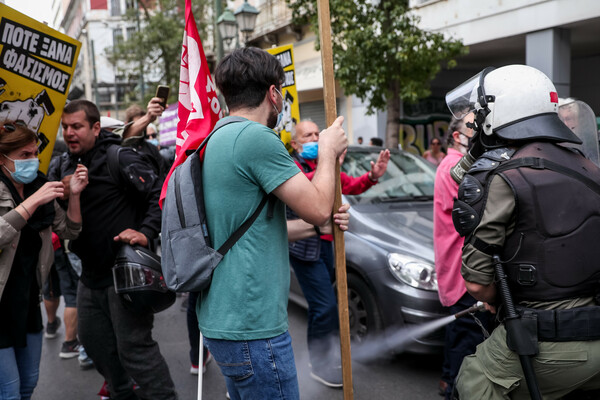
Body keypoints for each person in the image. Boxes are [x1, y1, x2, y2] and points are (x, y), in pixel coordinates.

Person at [196, 47, 347, 400]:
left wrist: (320, 226)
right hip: (253, 328)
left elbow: (264, 229)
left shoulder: (218, 136)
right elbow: (318, 208)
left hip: (228, 322)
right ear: (273, 93)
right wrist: (327, 151)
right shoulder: (255, 138)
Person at [447, 65, 600, 399]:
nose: (475, 122)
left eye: (480, 113)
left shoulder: (506, 176)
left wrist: (496, 299)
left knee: (472, 381)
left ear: (500, 110)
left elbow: (477, 284)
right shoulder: (589, 167)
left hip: (544, 342)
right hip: (595, 333)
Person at [55, 99, 178, 400]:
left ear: (96, 128)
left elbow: (159, 194)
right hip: (89, 276)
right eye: (65, 127)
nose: (70, 133)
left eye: (77, 127)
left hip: (124, 275)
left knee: (135, 349)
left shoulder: (118, 157)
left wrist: (146, 232)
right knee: (95, 344)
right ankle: (122, 393)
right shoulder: (61, 166)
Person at [185, 204, 351, 376]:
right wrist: (321, 222)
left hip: (250, 276)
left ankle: (222, 369)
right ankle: (202, 360)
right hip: (243, 276)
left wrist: (370, 178)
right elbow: (314, 209)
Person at [287, 119, 390, 387]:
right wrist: (327, 159)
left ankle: (321, 356)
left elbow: (350, 185)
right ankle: (318, 364)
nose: (313, 139)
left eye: (316, 134)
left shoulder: (325, 164)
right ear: (296, 144)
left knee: (323, 307)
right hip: (303, 247)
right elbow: (306, 185)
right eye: (307, 136)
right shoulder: (293, 167)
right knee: (325, 307)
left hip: (326, 244)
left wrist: (372, 176)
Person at [0, 121, 87, 400]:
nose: (33, 160)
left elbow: (70, 231)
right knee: (10, 392)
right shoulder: (32, 193)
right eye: (25, 155)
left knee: (28, 385)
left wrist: (73, 195)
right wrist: (32, 202)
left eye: (35, 153)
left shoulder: (39, 185)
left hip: (26, 303)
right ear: (3, 158)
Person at [433, 113, 490, 399]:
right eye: (473, 126)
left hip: (460, 268)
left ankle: (447, 382)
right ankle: (453, 390)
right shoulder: (454, 167)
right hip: (462, 270)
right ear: (457, 136)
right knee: (466, 338)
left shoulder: (456, 164)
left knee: (460, 335)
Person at [122, 100, 170, 179]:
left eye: (145, 123)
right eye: (139, 123)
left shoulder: (151, 148)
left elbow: (162, 173)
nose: (142, 127)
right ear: (127, 124)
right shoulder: (122, 150)